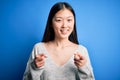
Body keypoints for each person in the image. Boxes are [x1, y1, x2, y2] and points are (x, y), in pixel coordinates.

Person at [23, 2, 95, 80]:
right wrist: (35, 68)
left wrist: (83, 68)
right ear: (51, 23)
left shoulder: (81, 51)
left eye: (69, 20)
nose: (64, 25)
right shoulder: (39, 49)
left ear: (74, 22)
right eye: (59, 20)